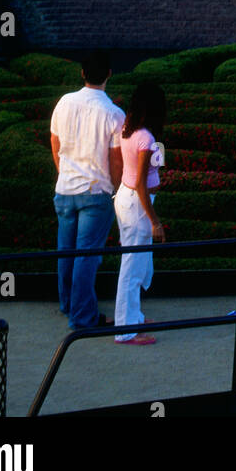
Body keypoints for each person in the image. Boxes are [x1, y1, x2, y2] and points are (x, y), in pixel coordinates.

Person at [49, 50, 124, 331]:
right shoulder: (114, 113)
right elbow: (116, 161)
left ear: (82, 73)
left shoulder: (64, 103)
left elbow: (55, 143)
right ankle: (82, 316)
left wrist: (63, 173)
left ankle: (68, 303)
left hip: (65, 188)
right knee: (87, 256)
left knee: (65, 251)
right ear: (109, 75)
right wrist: (116, 190)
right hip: (96, 192)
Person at [114, 82, 167, 346]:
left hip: (127, 200)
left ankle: (132, 318)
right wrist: (155, 221)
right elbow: (141, 185)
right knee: (132, 268)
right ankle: (125, 330)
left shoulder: (129, 129)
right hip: (137, 204)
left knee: (136, 263)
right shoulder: (145, 138)